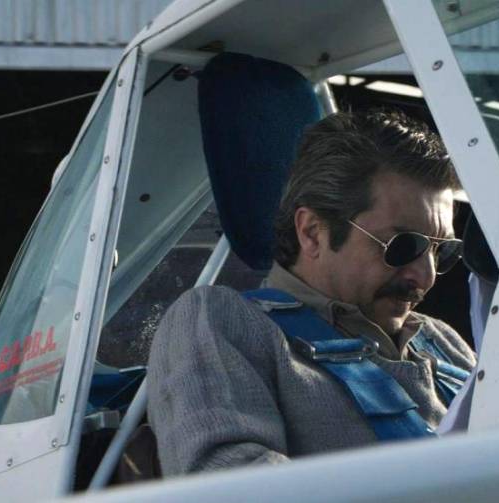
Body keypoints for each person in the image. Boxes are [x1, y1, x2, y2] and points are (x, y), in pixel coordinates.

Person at [146, 110, 476, 476]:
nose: (425, 275)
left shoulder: (442, 341)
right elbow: (227, 482)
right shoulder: (222, 322)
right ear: (312, 232)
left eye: (441, 251)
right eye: (403, 245)